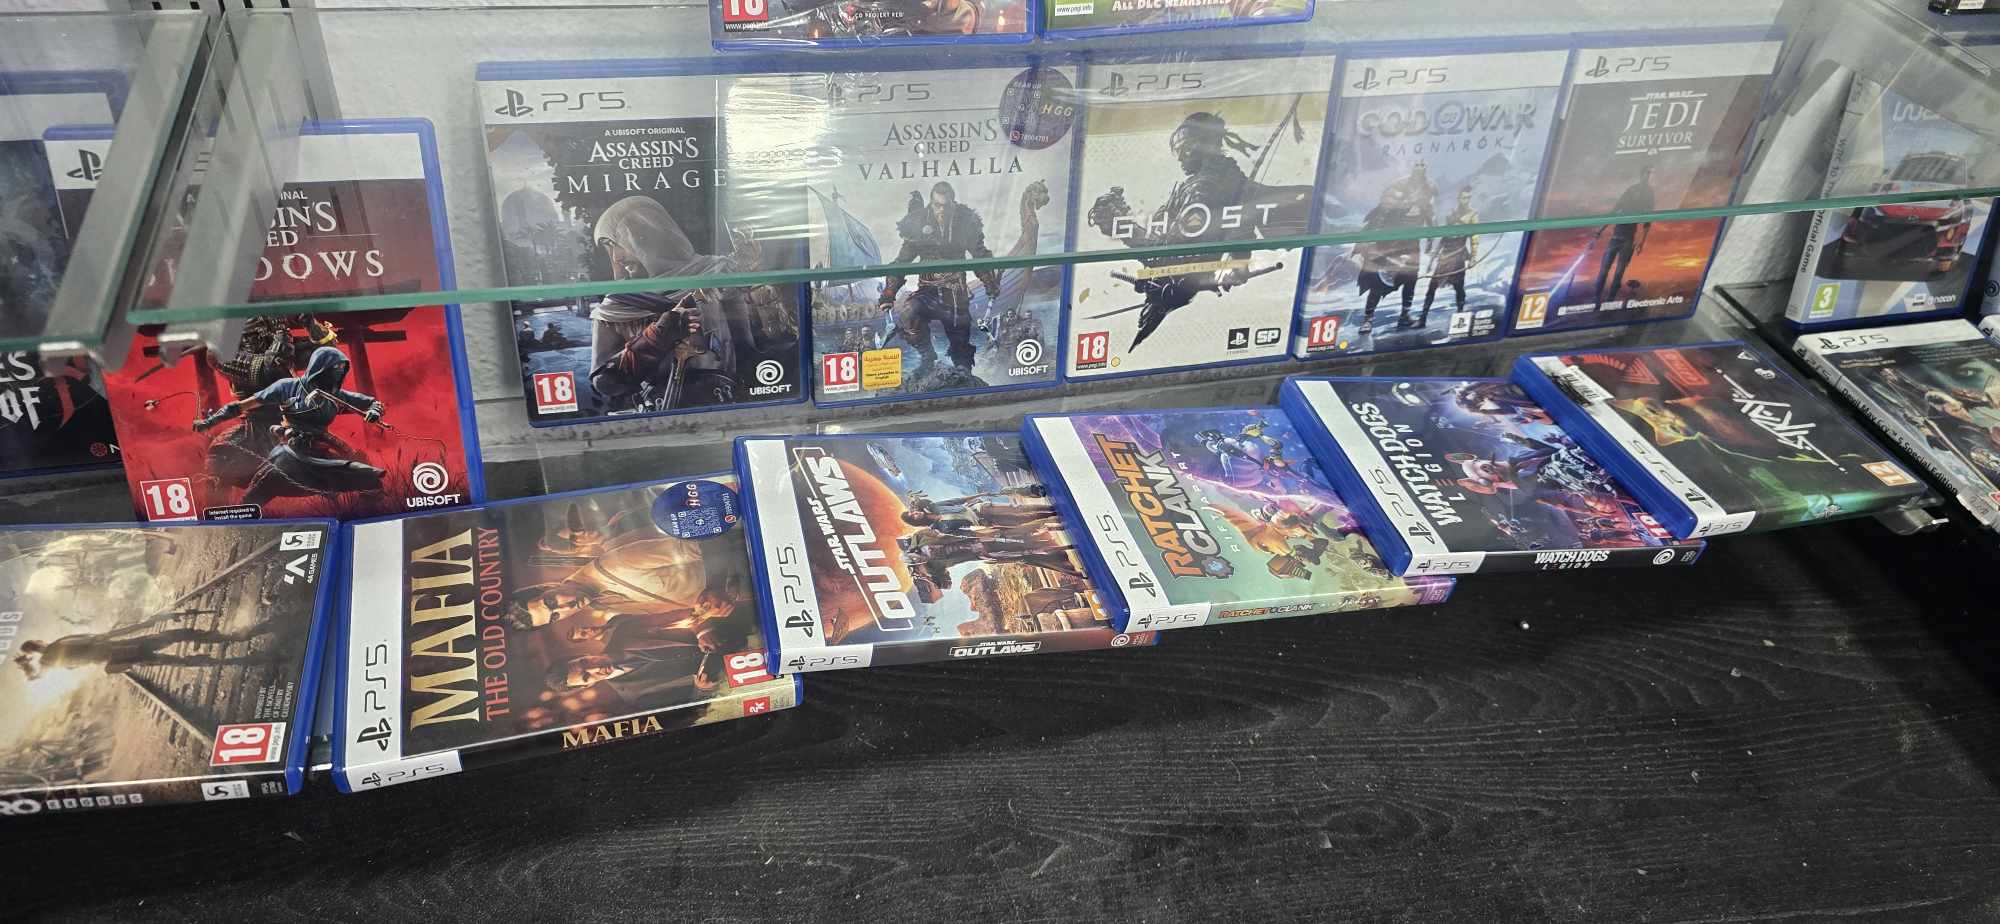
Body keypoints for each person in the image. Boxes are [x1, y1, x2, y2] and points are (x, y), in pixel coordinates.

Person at [194, 345, 387, 504]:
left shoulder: (335, 395)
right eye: (332, 371)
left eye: (340, 371)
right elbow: (240, 406)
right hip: (291, 447)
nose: (336, 376)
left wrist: (374, 411)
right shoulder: (287, 387)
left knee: (368, 477)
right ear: (320, 369)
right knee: (257, 493)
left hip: (319, 446)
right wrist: (209, 422)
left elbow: (372, 403)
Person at [880, 182, 1000, 375]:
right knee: (909, 312)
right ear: (931, 203)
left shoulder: (964, 221)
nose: (942, 210)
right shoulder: (919, 223)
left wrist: (990, 282)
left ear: (952, 203)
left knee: (960, 343)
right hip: (927, 291)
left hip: (956, 293)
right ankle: (927, 358)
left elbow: (979, 254)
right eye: (938, 206)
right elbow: (901, 262)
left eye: (946, 206)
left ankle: (963, 370)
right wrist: (888, 293)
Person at [14, 626, 268, 679]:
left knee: (176, 661)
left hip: (119, 657)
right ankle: (230, 638)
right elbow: (97, 638)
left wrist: (26, 665)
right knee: (178, 634)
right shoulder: (59, 644)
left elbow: (37, 676)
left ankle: (231, 661)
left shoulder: (50, 662)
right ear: (37, 642)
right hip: (123, 647)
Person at [1594, 165, 1656, 309]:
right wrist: (1600, 230)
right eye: (1646, 173)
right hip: (1616, 235)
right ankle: (1596, 299)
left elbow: (1648, 219)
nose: (1648, 176)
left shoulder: (1649, 194)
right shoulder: (1631, 190)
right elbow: (1614, 210)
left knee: (1619, 273)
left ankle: (1609, 303)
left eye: (1650, 174)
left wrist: (1642, 242)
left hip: (1628, 238)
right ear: (1642, 174)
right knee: (1604, 270)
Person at [1420, 187, 1481, 328]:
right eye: (1463, 197)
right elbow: (1444, 237)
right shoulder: (1451, 213)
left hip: (1459, 254)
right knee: (1432, 286)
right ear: (1458, 198)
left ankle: (1460, 315)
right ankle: (1423, 318)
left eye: (1468, 197)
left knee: (1459, 287)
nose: (1465, 200)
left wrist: (1473, 257)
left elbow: (1475, 237)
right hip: (1445, 254)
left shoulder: (1472, 215)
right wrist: (1432, 259)